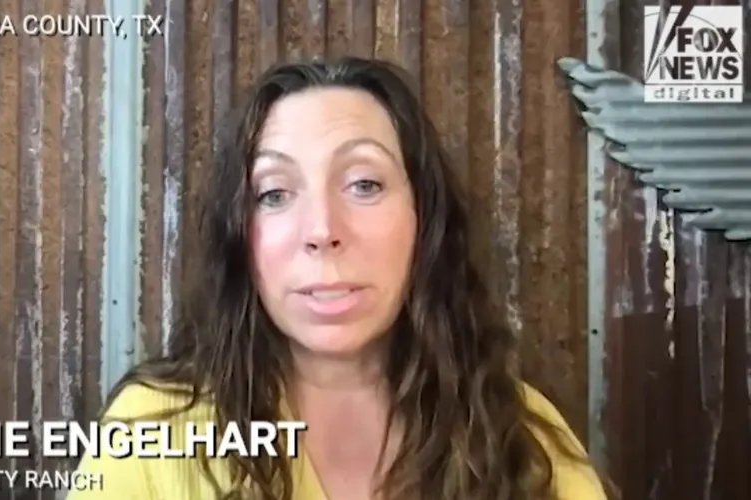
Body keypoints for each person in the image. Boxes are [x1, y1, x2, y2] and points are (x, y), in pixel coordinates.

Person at [68, 57, 608, 500]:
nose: (322, 230)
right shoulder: (151, 429)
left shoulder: (520, 434)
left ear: (426, 220)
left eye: (365, 183)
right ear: (240, 235)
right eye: (274, 194)